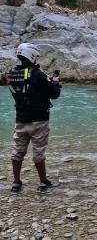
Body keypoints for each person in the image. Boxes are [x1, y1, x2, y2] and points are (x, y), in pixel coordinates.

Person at [2, 43, 61, 192]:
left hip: (20, 120)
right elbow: (54, 94)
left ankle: (16, 183)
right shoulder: (37, 75)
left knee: (17, 151)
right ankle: (43, 182)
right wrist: (55, 82)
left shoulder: (11, 74)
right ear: (33, 56)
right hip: (39, 120)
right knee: (39, 151)